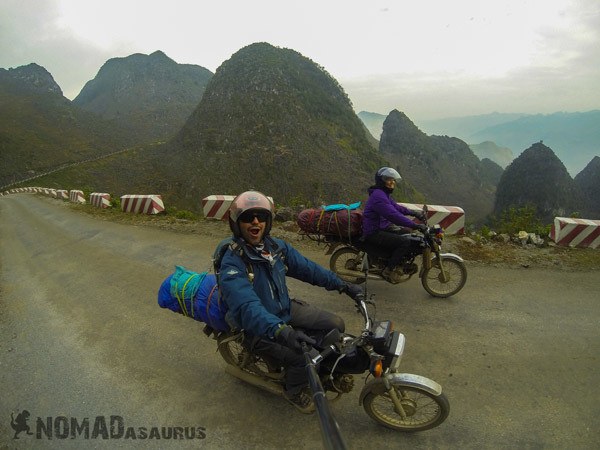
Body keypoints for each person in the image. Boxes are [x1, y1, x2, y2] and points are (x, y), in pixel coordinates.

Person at [218, 190, 363, 414]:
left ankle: (325, 369)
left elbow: (310, 269)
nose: (255, 221)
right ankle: (293, 390)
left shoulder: (276, 249)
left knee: (335, 324)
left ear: (268, 221)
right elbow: (247, 308)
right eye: (248, 217)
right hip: (255, 327)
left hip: (283, 309)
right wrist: (283, 331)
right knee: (303, 359)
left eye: (261, 216)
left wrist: (343, 285)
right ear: (237, 223)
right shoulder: (232, 263)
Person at [362, 167, 427, 284]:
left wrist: (414, 213)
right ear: (381, 181)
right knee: (404, 242)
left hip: (382, 227)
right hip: (374, 231)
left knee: (406, 234)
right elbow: (393, 215)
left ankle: (396, 261)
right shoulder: (379, 196)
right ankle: (388, 270)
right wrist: (415, 225)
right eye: (389, 179)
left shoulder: (383, 194)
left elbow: (396, 207)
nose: (392, 182)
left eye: (393, 180)